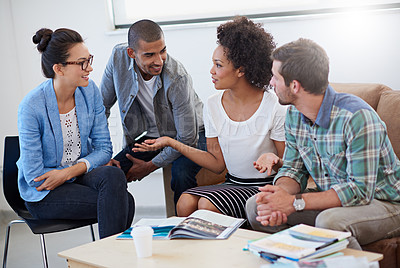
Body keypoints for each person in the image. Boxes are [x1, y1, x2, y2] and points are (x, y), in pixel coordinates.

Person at [245, 38, 400, 249]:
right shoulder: (293, 115)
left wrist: (294, 203)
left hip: (384, 203)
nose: (271, 83)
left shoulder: (357, 117)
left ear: (295, 85)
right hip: (333, 201)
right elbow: (293, 170)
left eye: (276, 77)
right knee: (257, 206)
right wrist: (279, 197)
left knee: (330, 222)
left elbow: (359, 191)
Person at [134, 16, 287, 220]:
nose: (212, 71)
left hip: (263, 187)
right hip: (233, 183)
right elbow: (217, 164)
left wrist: (274, 161)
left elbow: (289, 166)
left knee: (206, 205)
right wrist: (172, 142)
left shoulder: (273, 105)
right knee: (185, 202)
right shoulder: (213, 104)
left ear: (241, 69)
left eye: (218, 65)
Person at [17, 28, 134, 239]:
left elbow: (104, 149)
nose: (89, 67)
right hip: (44, 193)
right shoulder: (31, 107)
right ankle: (110, 260)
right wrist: (74, 171)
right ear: (59, 69)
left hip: (74, 177)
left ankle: (105, 260)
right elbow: (35, 177)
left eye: (89, 59)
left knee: (114, 175)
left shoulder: (89, 91)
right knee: (125, 202)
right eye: (82, 63)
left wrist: (67, 172)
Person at [101, 19, 205, 205]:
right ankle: (116, 231)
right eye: (149, 55)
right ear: (131, 53)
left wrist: (148, 166)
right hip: (153, 136)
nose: (159, 61)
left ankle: (184, 229)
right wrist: (103, 154)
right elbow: (101, 108)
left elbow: (187, 137)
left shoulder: (177, 77)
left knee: (181, 173)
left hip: (195, 135)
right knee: (110, 173)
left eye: (163, 51)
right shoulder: (118, 58)